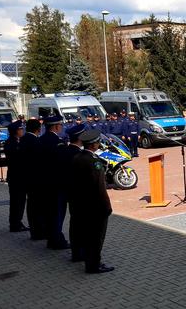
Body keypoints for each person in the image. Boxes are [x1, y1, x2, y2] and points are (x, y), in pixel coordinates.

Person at [71, 129, 114, 274]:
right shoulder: (94, 162)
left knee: (87, 235)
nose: (99, 144)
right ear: (94, 145)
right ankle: (94, 264)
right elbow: (100, 187)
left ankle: (90, 262)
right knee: (96, 237)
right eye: (97, 142)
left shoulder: (77, 157)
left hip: (81, 204)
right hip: (95, 206)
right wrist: (106, 206)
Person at [38, 115, 70, 250]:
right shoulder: (57, 142)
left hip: (44, 182)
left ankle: (51, 238)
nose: (61, 127)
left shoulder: (40, 140)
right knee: (57, 213)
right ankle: (56, 240)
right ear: (56, 126)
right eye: (60, 125)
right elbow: (62, 163)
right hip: (56, 184)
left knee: (49, 212)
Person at [62, 123, 87, 262]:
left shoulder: (65, 151)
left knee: (75, 223)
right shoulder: (79, 155)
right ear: (80, 137)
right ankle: (80, 252)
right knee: (82, 225)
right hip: (80, 194)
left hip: (70, 193)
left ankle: (76, 252)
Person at [19, 119, 43, 240]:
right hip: (36, 178)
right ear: (38, 129)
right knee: (37, 205)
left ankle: (34, 230)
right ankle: (37, 231)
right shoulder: (35, 141)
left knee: (31, 204)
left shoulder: (23, 139)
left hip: (26, 177)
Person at [4, 120, 28, 232]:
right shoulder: (12, 143)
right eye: (20, 129)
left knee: (19, 201)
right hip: (16, 177)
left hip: (19, 176)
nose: (22, 130)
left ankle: (17, 222)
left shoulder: (17, 142)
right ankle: (15, 224)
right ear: (15, 131)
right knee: (17, 201)